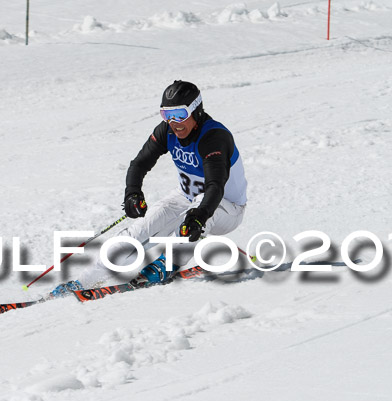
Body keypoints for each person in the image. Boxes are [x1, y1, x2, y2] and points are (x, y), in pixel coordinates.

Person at [51, 80, 247, 296]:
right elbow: (139, 164)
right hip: (186, 198)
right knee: (142, 228)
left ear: (196, 110)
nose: (174, 122)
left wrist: (200, 215)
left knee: (195, 215)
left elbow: (215, 186)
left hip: (226, 208)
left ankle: (167, 264)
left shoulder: (214, 137)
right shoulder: (167, 131)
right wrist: (132, 193)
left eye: (180, 114)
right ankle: (82, 282)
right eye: (167, 115)